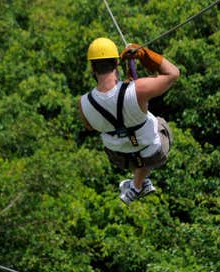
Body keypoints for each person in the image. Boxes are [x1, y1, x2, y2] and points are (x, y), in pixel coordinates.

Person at [77, 37, 179, 205]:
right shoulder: (139, 89)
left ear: (92, 67)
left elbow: (89, 126)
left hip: (120, 157)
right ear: (117, 62)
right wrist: (145, 55)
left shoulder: (83, 103)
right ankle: (137, 184)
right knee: (157, 123)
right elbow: (173, 73)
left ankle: (138, 183)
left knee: (126, 141)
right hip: (153, 153)